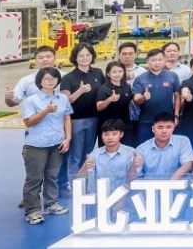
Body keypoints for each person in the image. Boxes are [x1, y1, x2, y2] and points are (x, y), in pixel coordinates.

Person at [20, 67, 72, 224]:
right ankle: (32, 210)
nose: (50, 81)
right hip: (36, 145)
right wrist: (46, 111)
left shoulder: (62, 98)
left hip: (57, 143)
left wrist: (68, 138)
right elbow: (29, 122)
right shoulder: (32, 100)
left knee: (52, 176)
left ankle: (51, 204)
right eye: (46, 78)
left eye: (53, 78)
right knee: (34, 179)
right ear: (40, 81)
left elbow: (66, 118)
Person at [59, 42, 104, 190]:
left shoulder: (98, 73)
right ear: (75, 58)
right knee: (75, 155)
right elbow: (66, 100)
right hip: (76, 121)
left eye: (88, 55)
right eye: (81, 55)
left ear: (92, 56)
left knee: (88, 154)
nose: (85, 58)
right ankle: (74, 186)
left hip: (95, 119)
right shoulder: (69, 77)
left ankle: (86, 185)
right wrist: (80, 91)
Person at [77, 119, 141, 191]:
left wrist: (133, 166)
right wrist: (85, 167)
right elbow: (80, 177)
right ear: (101, 136)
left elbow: (133, 180)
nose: (110, 138)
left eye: (114, 134)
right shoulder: (95, 154)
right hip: (100, 195)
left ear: (121, 134)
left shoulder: (131, 153)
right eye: (106, 134)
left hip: (123, 194)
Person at [135, 112, 193, 179]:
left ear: (173, 128)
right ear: (153, 129)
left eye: (168, 127)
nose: (164, 131)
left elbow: (187, 165)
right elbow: (134, 176)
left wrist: (170, 182)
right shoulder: (141, 148)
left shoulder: (183, 141)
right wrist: (134, 166)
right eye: (160, 127)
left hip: (176, 184)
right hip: (150, 185)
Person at [95, 61, 134, 146]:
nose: (117, 74)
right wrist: (109, 99)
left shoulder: (127, 86)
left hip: (125, 125)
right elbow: (99, 107)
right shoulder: (104, 88)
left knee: (127, 150)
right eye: (114, 72)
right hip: (109, 127)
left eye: (120, 71)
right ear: (108, 74)